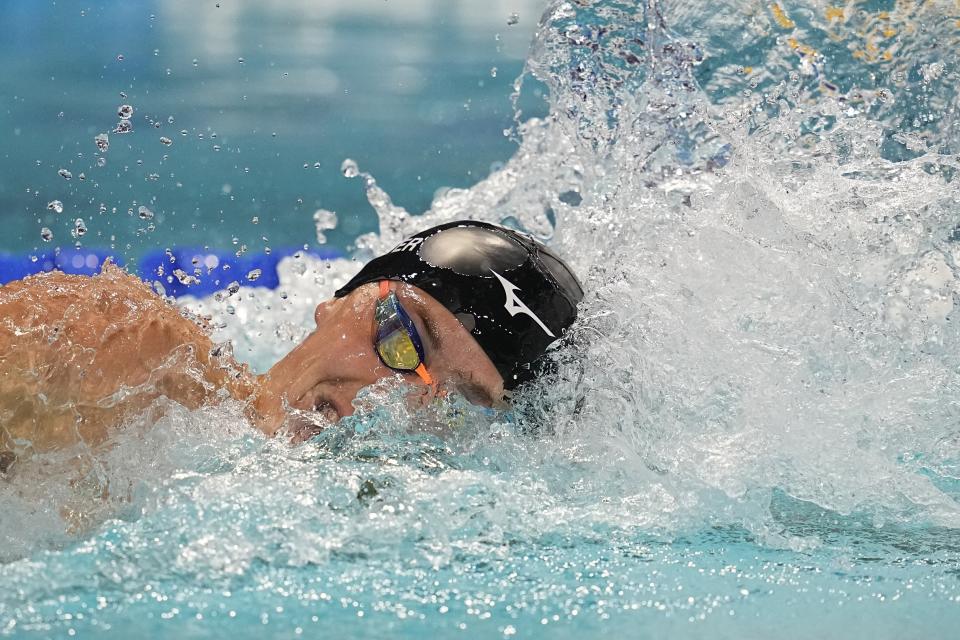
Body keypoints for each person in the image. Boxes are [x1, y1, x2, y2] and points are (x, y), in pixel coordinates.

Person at [0, 220, 582, 473]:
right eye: (400, 336)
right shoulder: (125, 351)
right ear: (339, 302)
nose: (389, 396)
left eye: (452, 400)